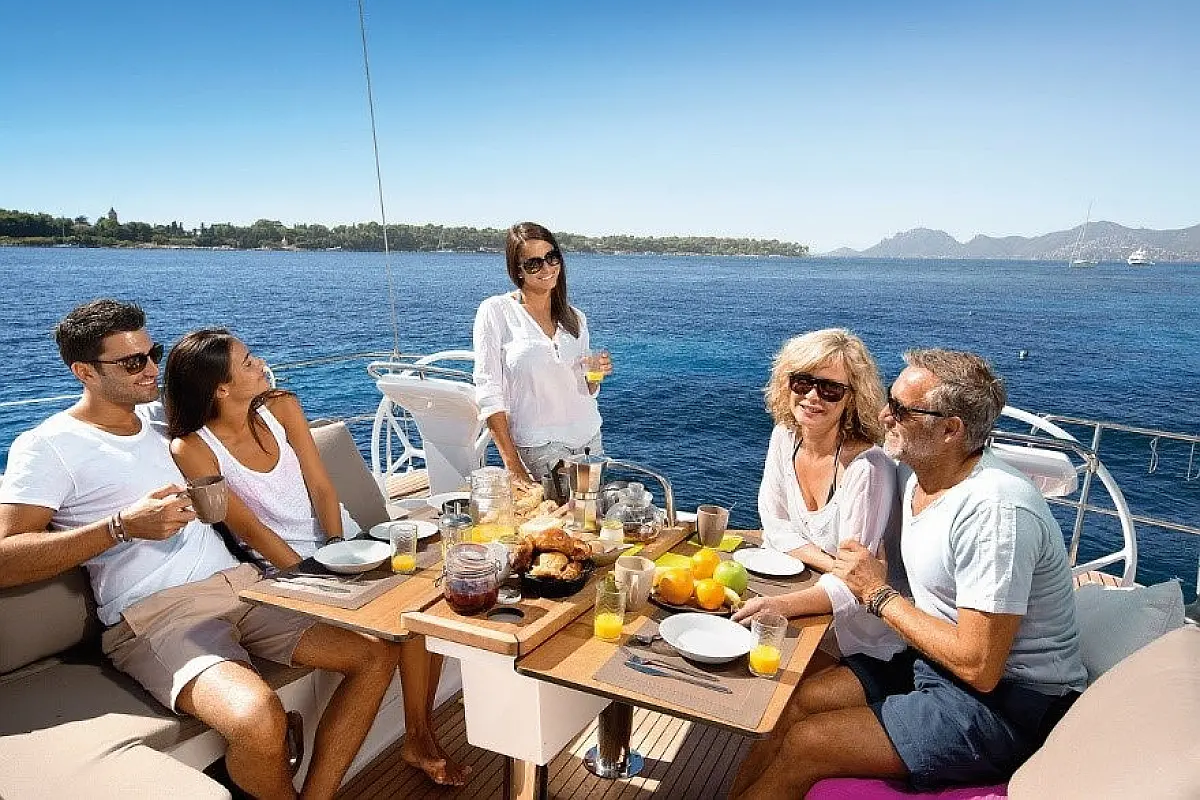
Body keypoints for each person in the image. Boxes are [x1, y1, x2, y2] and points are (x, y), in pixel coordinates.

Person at [0, 300, 458, 799]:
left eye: (152, 354)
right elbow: (6, 557)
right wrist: (120, 527)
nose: (151, 370)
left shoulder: (161, 422)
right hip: (159, 614)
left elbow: (228, 406)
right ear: (84, 372)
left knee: (376, 652)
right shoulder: (48, 446)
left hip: (246, 589)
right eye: (132, 363)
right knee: (258, 716)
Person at [733, 349, 1086, 799]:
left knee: (810, 742)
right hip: (932, 663)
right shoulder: (920, 474)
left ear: (950, 430)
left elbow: (979, 666)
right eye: (890, 399)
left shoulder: (995, 513)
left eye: (901, 410)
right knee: (797, 702)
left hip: (1012, 704)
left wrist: (877, 594)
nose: (884, 415)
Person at [161, 328, 466, 786]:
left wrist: (336, 547)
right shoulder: (194, 447)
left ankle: (420, 736)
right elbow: (249, 529)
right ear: (221, 388)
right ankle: (419, 740)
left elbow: (322, 486)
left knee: (422, 611)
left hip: (340, 547)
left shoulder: (282, 407)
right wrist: (312, 576)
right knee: (398, 623)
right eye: (247, 362)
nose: (260, 363)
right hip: (282, 570)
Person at [734, 328, 905, 662]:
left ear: (852, 398)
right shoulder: (784, 437)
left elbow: (856, 585)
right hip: (808, 592)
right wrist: (832, 563)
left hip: (859, 634)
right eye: (802, 382)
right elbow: (776, 526)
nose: (813, 396)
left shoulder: (867, 469)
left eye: (830, 389)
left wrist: (780, 605)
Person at [473, 221, 611, 491]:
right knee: (560, 514)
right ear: (518, 270)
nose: (547, 269)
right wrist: (513, 468)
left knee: (593, 516)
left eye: (551, 257)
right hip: (540, 445)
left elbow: (587, 389)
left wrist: (595, 375)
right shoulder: (496, 311)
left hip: (590, 440)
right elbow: (489, 393)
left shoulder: (575, 318)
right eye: (534, 263)